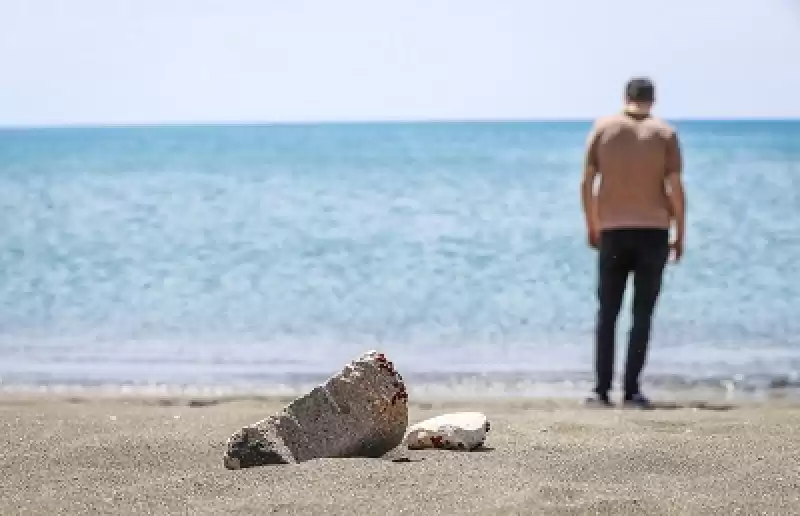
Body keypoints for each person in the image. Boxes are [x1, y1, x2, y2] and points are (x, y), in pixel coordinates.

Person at [580, 77, 686, 409]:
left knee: (607, 312)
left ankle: (600, 391)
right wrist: (680, 232)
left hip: (612, 230)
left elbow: (587, 182)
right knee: (642, 314)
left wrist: (592, 224)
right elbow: (675, 188)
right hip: (653, 231)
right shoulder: (664, 133)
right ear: (652, 100)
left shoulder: (603, 128)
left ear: (625, 97)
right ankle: (631, 391)